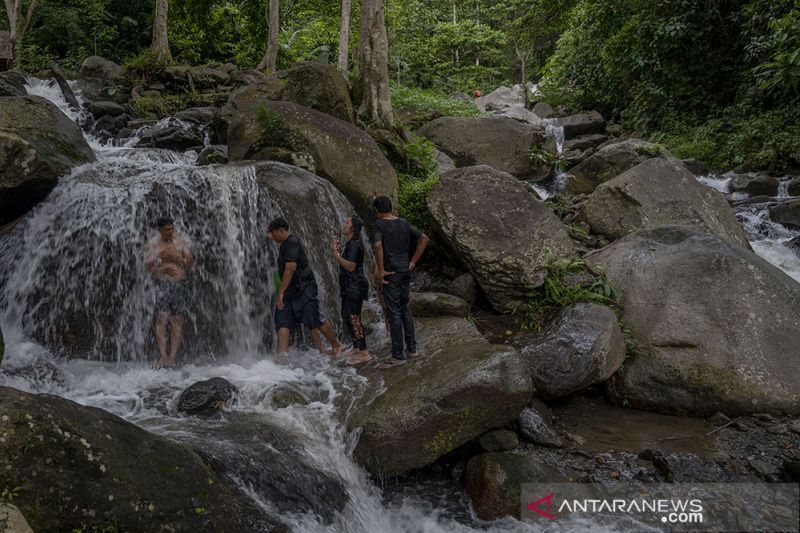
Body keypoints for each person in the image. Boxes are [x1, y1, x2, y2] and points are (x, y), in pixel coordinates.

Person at [267, 217, 342, 360]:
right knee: (282, 321)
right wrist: (270, 236)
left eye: (273, 233)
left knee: (315, 319)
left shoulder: (292, 243)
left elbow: (290, 268)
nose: (272, 237)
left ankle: (336, 345)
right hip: (290, 291)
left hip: (303, 289)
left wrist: (281, 292)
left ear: (281, 230)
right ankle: (283, 357)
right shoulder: (284, 242)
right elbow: (274, 236)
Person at [371, 196, 429, 369]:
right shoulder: (403, 223)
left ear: (377, 211)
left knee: (394, 313)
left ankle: (397, 355)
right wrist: (413, 262)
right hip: (405, 271)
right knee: (405, 309)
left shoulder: (379, 225)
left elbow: (378, 246)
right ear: (390, 207)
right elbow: (424, 238)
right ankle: (412, 349)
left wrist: (381, 270)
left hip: (391, 273)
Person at [145, 217, 194, 369]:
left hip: (179, 284)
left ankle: (172, 357)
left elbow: (190, 262)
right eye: (167, 230)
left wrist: (175, 258)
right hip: (161, 284)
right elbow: (149, 268)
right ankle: (163, 356)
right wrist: (162, 269)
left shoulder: (181, 242)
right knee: (161, 319)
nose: (170, 232)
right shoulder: (153, 245)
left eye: (172, 229)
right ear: (159, 230)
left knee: (177, 320)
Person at [331, 216, 372, 365]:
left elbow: (350, 266)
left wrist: (335, 254)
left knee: (354, 318)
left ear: (353, 228)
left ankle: (365, 352)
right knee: (346, 316)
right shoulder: (350, 244)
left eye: (347, 222)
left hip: (355, 287)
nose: (344, 224)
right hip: (349, 287)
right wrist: (336, 250)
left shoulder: (355, 245)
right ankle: (356, 346)